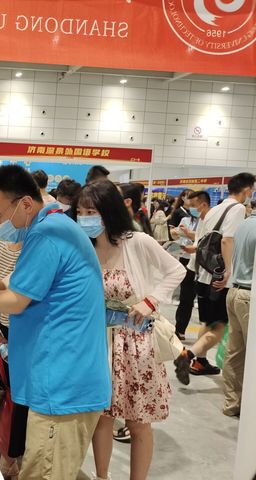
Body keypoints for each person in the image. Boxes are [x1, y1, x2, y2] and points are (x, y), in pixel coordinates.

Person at [0, 165, 110, 480]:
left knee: (43, 472)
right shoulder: (46, 228)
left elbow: (15, 300)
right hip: (54, 379)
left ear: (25, 203)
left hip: (62, 385)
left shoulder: (48, 234)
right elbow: (6, 285)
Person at [75, 180, 185, 480]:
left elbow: (176, 270)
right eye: (80, 212)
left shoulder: (137, 241)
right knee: (101, 417)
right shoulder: (85, 247)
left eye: (91, 212)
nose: (84, 218)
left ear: (109, 211)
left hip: (136, 343)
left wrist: (150, 301)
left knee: (138, 421)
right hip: (99, 342)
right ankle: (102, 476)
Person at [174, 173, 255, 384]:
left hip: (203, 275)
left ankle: (200, 362)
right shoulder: (237, 209)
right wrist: (228, 270)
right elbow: (227, 240)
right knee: (219, 327)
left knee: (208, 322)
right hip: (218, 278)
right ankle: (188, 355)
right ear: (247, 189)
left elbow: (201, 240)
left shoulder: (215, 209)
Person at [0, 235, 26, 478]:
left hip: (30, 332)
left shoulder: (37, 240)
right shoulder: (0, 240)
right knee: (10, 397)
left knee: (22, 400)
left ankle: (10, 459)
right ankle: (10, 458)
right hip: (6, 329)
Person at [223, 205, 256, 418]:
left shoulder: (244, 224)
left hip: (235, 291)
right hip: (250, 296)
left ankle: (231, 403)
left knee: (235, 352)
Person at [170, 192, 207, 340]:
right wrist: (176, 233)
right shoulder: (185, 219)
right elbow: (176, 235)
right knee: (186, 296)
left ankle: (205, 334)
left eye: (193, 205)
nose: (191, 208)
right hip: (186, 260)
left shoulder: (208, 221)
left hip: (204, 263)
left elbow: (202, 238)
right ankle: (179, 329)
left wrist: (189, 234)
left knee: (204, 298)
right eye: (190, 205)